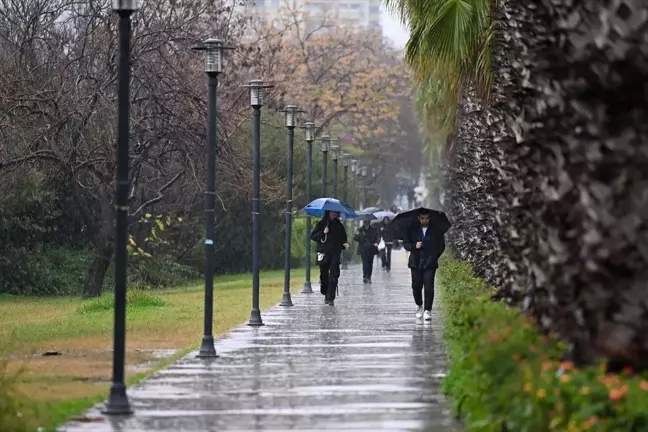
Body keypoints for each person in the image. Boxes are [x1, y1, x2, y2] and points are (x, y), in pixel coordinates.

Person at [402, 208, 446, 321]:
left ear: (429, 218)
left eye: (426, 218)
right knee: (416, 286)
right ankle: (419, 305)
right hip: (415, 262)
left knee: (429, 286)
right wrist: (414, 246)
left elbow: (441, 245)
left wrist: (434, 255)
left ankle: (428, 310)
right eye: (422, 218)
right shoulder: (412, 229)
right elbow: (406, 244)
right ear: (418, 218)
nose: (424, 220)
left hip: (429, 262)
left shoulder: (436, 230)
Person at [310, 210, 350, 306]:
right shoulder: (321, 223)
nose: (334, 214)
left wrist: (345, 244)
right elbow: (313, 236)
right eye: (332, 212)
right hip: (324, 252)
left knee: (334, 275)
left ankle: (330, 297)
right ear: (328, 212)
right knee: (324, 275)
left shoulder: (339, 226)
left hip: (335, 253)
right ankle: (325, 292)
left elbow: (343, 239)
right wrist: (323, 233)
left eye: (335, 212)